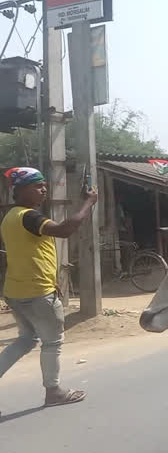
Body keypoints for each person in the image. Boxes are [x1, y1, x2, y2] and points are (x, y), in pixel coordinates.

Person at [0, 167, 97, 409]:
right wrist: (88, 203)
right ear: (20, 190)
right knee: (52, 343)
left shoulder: (10, 217)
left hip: (15, 291)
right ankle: (53, 391)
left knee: (25, 340)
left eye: (44, 185)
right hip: (37, 292)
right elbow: (65, 229)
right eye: (37, 186)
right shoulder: (29, 217)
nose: (44, 190)